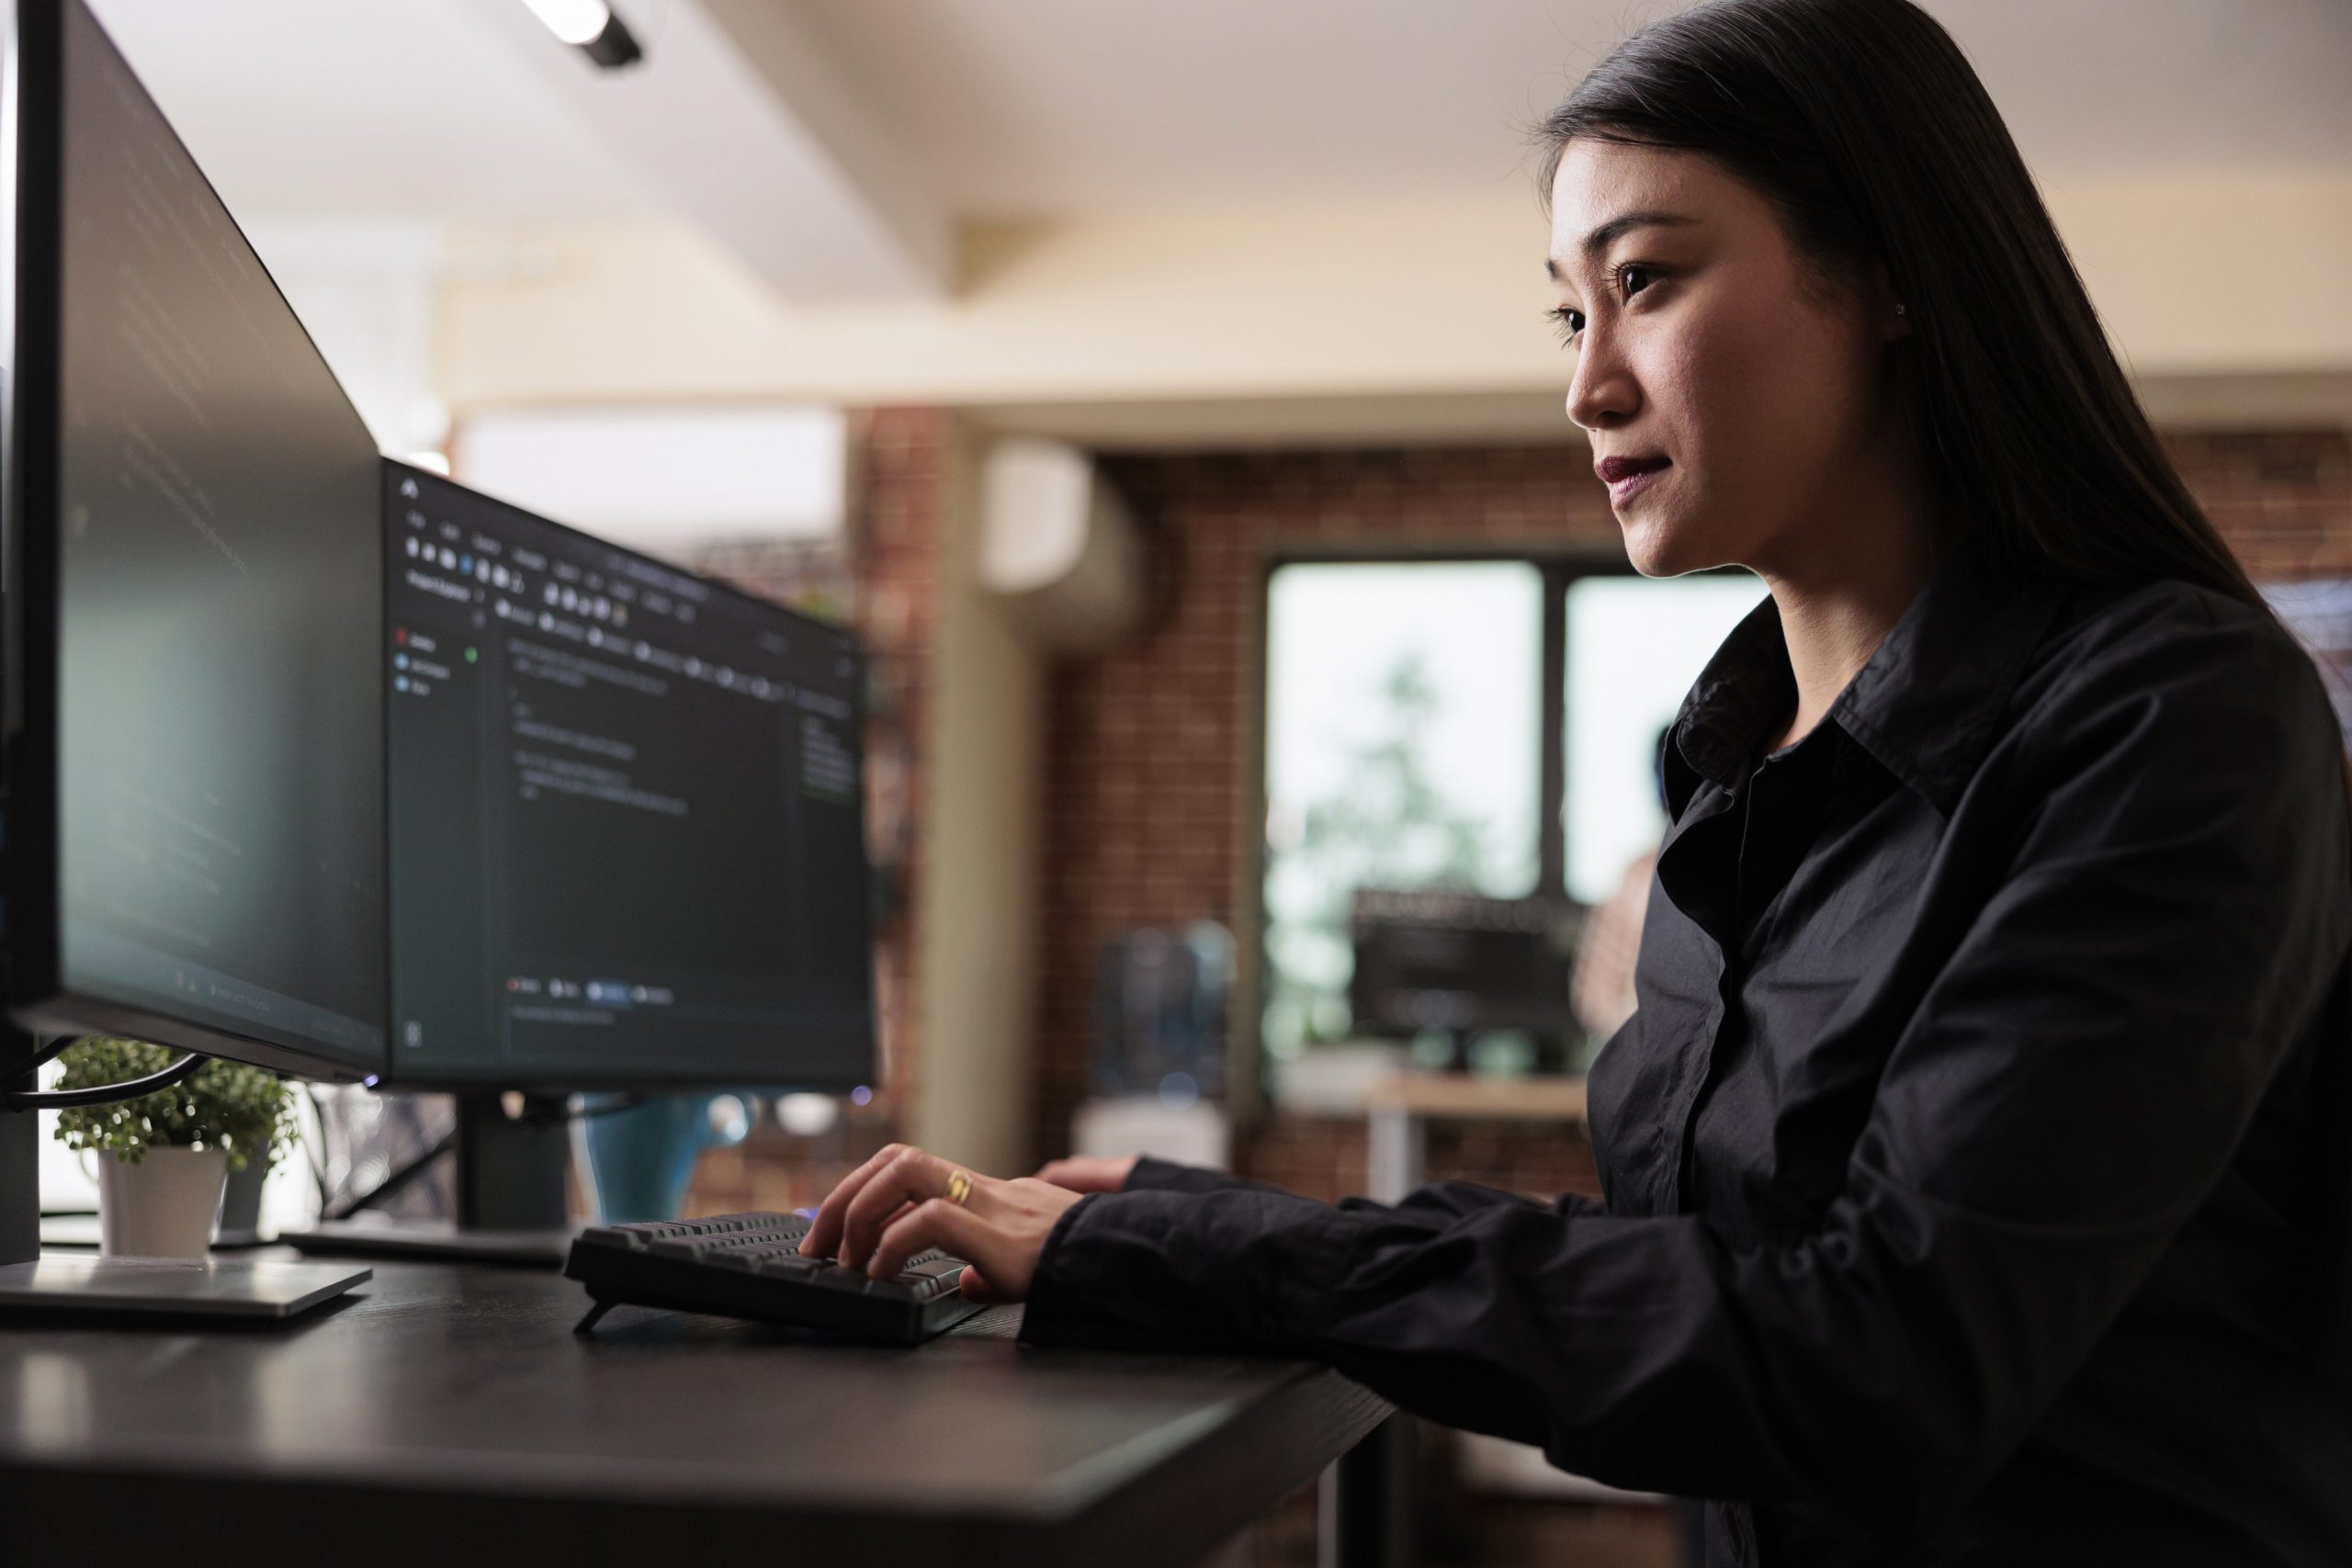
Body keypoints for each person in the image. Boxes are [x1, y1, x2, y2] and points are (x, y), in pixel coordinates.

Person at [797, 1, 2352, 1562]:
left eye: (1645, 281)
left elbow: (1877, 1354)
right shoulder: (1734, 774)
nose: (1587, 385)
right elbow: (1690, 1265)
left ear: (1890, 271)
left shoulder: (2176, 719)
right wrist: (1189, 1223)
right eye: (1569, 315)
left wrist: (1230, 1261)